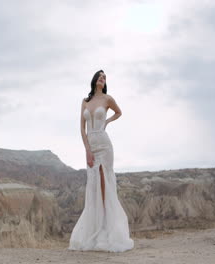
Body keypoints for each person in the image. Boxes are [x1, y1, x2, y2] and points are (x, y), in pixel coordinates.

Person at [68, 70, 134, 253]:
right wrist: (87, 150)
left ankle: (107, 230)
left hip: (104, 145)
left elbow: (119, 112)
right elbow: (82, 128)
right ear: (94, 80)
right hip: (91, 145)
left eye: (104, 77)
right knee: (93, 185)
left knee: (105, 182)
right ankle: (95, 230)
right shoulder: (85, 101)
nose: (102, 79)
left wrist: (107, 122)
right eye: (100, 76)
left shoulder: (107, 99)